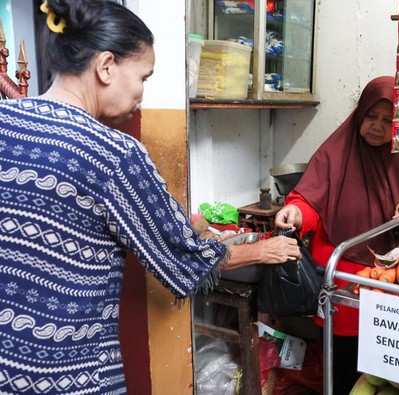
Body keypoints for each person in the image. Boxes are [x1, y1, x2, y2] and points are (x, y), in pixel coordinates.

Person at [0, 1, 300, 393]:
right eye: (143, 77)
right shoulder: (113, 154)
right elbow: (183, 258)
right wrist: (261, 251)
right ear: (106, 66)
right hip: (73, 376)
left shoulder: (9, 121)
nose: (142, 92)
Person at [274, 76, 399, 393]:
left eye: (388, 120)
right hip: (342, 273)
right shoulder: (335, 152)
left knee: (384, 360)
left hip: (390, 274)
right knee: (344, 358)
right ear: (359, 113)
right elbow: (308, 201)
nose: (377, 126)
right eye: (371, 116)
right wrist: (294, 214)